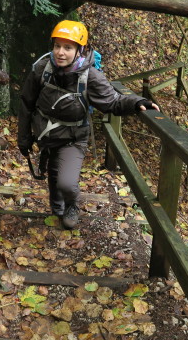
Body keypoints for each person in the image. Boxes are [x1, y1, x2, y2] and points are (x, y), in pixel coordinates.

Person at [17, 20, 160, 229]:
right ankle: (58, 209)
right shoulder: (42, 68)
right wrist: (24, 137)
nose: (60, 52)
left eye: (68, 47)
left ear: (80, 50)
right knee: (53, 173)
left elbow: (113, 101)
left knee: (65, 181)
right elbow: (26, 103)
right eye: (57, 46)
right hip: (46, 134)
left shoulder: (90, 76)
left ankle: (71, 206)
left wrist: (137, 102)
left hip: (73, 137)